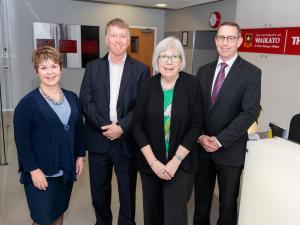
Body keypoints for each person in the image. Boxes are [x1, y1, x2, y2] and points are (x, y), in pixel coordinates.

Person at [79, 18, 150, 225]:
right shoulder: (93, 67)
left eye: (123, 36)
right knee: (99, 192)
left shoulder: (141, 70)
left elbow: (142, 106)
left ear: (128, 40)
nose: (118, 40)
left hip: (126, 142)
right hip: (98, 140)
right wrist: (105, 127)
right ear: (106, 39)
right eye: (114, 35)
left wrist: (121, 127)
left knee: (127, 193)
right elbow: (86, 101)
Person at [193, 21, 261, 225]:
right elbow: (196, 109)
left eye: (230, 38)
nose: (225, 42)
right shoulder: (203, 71)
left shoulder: (251, 73)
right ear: (215, 41)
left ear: (239, 41)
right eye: (221, 37)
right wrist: (201, 137)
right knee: (201, 202)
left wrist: (220, 140)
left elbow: (248, 112)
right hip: (203, 149)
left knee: (227, 206)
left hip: (230, 151)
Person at [132, 36, 203, 225]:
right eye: (163, 57)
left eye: (174, 57)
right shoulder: (147, 85)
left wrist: (175, 161)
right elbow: (137, 125)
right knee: (153, 213)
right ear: (156, 61)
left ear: (181, 61)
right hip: (151, 163)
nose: (169, 62)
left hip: (181, 163)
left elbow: (196, 125)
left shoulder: (192, 84)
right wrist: (153, 162)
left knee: (174, 216)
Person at [13, 46, 86, 225]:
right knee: (43, 219)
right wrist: (33, 170)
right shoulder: (27, 104)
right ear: (37, 71)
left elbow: (78, 128)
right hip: (41, 173)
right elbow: (22, 141)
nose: (50, 72)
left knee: (58, 213)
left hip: (66, 169)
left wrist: (79, 156)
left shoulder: (72, 97)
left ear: (61, 68)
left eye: (53, 66)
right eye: (43, 67)